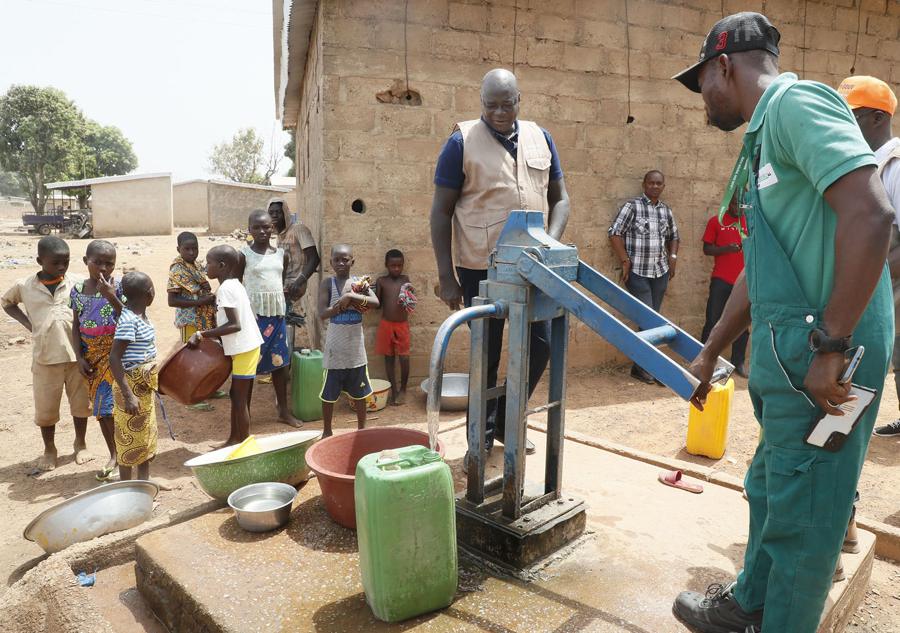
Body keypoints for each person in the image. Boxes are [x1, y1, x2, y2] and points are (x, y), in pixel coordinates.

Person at [671, 13, 894, 633]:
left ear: (725, 65)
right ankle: (750, 605)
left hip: (827, 355)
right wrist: (712, 349)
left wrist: (833, 345)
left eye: (702, 85)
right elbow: (762, 268)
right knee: (771, 482)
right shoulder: (765, 138)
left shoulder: (797, 105)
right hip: (797, 349)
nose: (702, 102)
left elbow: (873, 215)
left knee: (808, 510)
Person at [430, 67, 571, 456]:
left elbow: (561, 199)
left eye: (506, 104)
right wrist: (447, 275)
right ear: (481, 102)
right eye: (490, 105)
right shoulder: (460, 142)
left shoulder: (540, 138)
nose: (499, 112)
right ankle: (481, 439)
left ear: (519, 100)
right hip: (480, 266)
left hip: (532, 265)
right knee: (486, 356)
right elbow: (440, 212)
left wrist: (549, 243)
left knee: (540, 346)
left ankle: (509, 420)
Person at [838, 75, 900, 438]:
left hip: (888, 281)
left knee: (873, 360)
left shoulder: (895, 164)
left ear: (878, 119)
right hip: (869, 282)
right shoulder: (863, 163)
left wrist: (872, 282)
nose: (844, 125)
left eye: (853, 116)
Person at [2, 236, 93, 471]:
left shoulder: (77, 282)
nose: (62, 267)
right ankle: (49, 449)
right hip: (45, 358)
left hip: (77, 358)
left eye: (66, 262)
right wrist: (30, 325)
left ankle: (80, 443)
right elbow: (7, 302)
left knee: (82, 405)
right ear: (40, 261)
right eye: (55, 263)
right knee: (46, 409)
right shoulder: (25, 286)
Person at [608, 170, 680, 384]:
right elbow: (614, 233)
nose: (655, 186)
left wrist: (673, 257)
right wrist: (624, 260)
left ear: (663, 186)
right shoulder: (632, 206)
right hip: (637, 272)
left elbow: (674, 236)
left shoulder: (666, 210)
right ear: (644, 184)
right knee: (649, 320)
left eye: (659, 183)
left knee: (653, 320)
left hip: (659, 272)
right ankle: (645, 368)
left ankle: (642, 367)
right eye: (651, 183)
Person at [187, 245, 263, 447]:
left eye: (209, 262)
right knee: (238, 396)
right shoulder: (233, 284)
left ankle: (245, 445)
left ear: (221, 265)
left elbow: (234, 324)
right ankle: (234, 439)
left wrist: (202, 334)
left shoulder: (227, 289)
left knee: (239, 399)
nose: (205, 266)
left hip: (245, 348)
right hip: (245, 346)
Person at [239, 209, 303, 427]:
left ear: (273, 228)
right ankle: (244, 415)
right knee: (248, 367)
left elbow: (280, 281)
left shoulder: (280, 255)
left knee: (280, 365)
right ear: (249, 230)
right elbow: (237, 286)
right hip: (253, 319)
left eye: (266, 226)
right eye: (256, 227)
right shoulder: (244, 255)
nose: (262, 231)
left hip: (276, 318)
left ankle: (283, 411)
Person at [70, 239, 124, 480]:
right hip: (91, 357)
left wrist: (111, 296)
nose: (103, 268)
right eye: (97, 262)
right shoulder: (78, 291)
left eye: (109, 263)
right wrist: (79, 357)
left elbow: (130, 316)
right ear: (85, 262)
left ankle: (127, 453)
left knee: (121, 406)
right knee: (103, 408)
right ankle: (114, 454)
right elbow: (75, 325)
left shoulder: (119, 287)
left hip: (117, 354)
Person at [317, 244, 380, 437]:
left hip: (355, 348)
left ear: (353, 261)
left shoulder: (360, 284)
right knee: (329, 394)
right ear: (331, 262)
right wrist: (341, 305)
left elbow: (376, 303)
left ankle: (362, 430)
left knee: (359, 393)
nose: (341, 263)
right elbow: (322, 313)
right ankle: (327, 431)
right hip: (335, 347)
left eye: (345, 259)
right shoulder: (328, 284)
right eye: (337, 259)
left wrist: (351, 296)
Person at [110, 272, 158, 481]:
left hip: (143, 386)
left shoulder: (138, 317)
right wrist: (128, 394)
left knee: (145, 435)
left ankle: (144, 483)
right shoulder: (130, 321)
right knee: (128, 439)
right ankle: (126, 487)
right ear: (150, 293)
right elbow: (114, 358)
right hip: (130, 385)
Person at [700, 196, 749, 377]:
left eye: (742, 205)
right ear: (729, 203)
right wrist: (725, 249)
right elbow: (707, 249)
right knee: (713, 320)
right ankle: (703, 359)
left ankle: (739, 362)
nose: (739, 208)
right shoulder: (716, 221)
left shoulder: (750, 222)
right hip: (721, 279)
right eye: (736, 204)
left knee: (743, 325)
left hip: (744, 282)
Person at [375, 249, 416, 405]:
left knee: (404, 357)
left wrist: (409, 296)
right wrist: (366, 292)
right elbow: (378, 305)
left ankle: (403, 389)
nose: (396, 269)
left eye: (399, 265)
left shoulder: (405, 280)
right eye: (393, 266)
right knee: (389, 358)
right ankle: (393, 390)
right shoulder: (381, 281)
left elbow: (410, 298)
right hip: (386, 324)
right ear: (387, 265)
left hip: (402, 325)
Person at [266, 196, 320, 307]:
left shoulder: (298, 229)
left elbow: (314, 258)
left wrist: (300, 281)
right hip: (284, 284)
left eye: (278, 212)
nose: (274, 215)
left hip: (295, 285)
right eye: (271, 213)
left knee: (288, 316)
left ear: (285, 213)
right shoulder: (280, 234)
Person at [167, 231, 216, 343]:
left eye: (195, 249)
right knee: (191, 351)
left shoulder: (196, 265)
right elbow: (172, 301)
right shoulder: (177, 270)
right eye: (187, 249)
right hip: (188, 320)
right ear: (178, 249)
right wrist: (200, 301)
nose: (191, 252)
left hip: (203, 317)